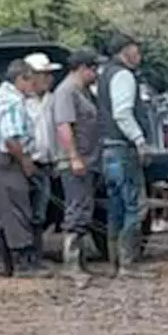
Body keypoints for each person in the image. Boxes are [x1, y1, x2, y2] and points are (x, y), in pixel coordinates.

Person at [98, 34, 155, 279]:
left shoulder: (104, 74)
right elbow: (122, 113)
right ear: (125, 51)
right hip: (122, 149)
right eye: (136, 50)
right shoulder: (123, 76)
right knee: (135, 206)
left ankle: (116, 261)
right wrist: (140, 140)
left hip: (107, 149)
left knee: (117, 207)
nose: (139, 55)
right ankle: (128, 263)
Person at [0, 59, 46, 277]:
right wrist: (25, 161)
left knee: (2, 211)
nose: (33, 86)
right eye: (31, 80)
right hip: (6, 160)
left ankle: (4, 262)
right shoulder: (12, 101)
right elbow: (11, 139)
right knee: (17, 210)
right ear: (21, 79)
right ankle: (23, 263)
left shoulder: (0, 97)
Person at [52, 48, 100, 288]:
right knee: (76, 208)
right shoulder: (66, 92)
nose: (96, 73)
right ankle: (71, 264)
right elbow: (64, 126)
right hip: (74, 161)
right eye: (93, 69)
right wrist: (74, 157)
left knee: (84, 208)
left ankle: (79, 261)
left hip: (89, 159)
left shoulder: (84, 92)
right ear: (83, 68)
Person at [23, 52, 61, 261]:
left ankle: (35, 255)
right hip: (25, 163)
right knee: (23, 212)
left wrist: (56, 158)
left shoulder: (51, 100)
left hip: (45, 164)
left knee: (39, 214)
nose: (49, 79)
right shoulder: (20, 101)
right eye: (43, 74)